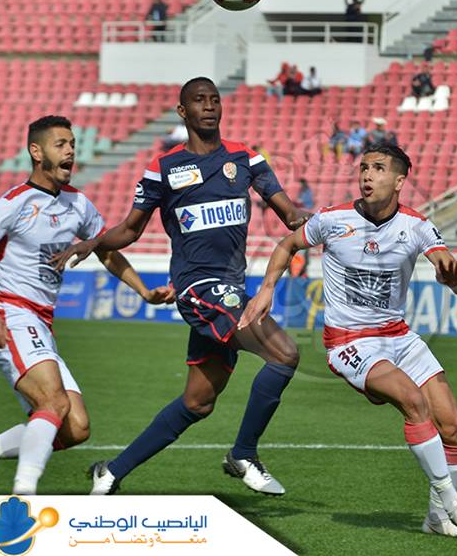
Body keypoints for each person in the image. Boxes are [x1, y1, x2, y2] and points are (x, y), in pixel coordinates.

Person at [50, 77, 309, 496]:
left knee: (197, 403)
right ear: (183, 112)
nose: (209, 106)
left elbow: (291, 215)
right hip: (198, 289)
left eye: (215, 100)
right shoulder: (164, 168)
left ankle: (111, 472)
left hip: (229, 289)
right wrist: (92, 242)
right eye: (199, 100)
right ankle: (243, 454)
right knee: (285, 353)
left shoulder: (246, 158)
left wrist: (331, 221)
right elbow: (131, 229)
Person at [239, 144, 457, 539]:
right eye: (364, 168)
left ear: (400, 181)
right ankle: (452, 501)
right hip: (349, 342)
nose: (368, 175)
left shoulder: (417, 226)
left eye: (379, 168)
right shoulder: (332, 220)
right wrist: (267, 288)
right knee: (413, 401)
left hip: (399, 337)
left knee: (453, 425)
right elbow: (287, 244)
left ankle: (436, 519)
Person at [0, 115, 173, 495]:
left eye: (73, 145)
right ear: (36, 151)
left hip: (42, 325)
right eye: (60, 144)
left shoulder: (78, 204)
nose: (70, 152)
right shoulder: (14, 202)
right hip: (12, 314)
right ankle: (23, 495)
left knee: (75, 428)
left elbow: (107, 252)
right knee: (52, 401)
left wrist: (144, 291)